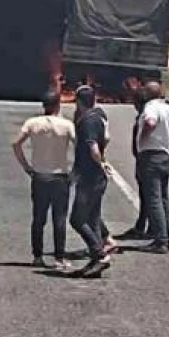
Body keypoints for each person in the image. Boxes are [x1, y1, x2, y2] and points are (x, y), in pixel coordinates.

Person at [12, 91, 76, 269]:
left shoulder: (33, 123)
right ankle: (59, 257)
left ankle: (38, 256)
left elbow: (16, 143)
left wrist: (26, 166)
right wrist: (75, 170)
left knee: (38, 218)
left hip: (39, 175)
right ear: (58, 105)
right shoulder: (66, 125)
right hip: (59, 175)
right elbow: (80, 146)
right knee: (60, 218)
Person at [69, 85, 114, 277]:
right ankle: (96, 260)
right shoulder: (100, 115)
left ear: (79, 102)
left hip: (89, 176)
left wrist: (100, 161)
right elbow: (107, 138)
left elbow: (92, 147)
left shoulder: (87, 121)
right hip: (97, 176)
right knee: (93, 218)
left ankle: (99, 254)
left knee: (77, 219)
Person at [134, 81, 169, 253]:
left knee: (153, 198)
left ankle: (160, 240)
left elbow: (150, 123)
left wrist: (143, 139)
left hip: (150, 155)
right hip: (165, 155)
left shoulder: (151, 107)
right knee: (163, 198)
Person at [117, 85, 150, 240]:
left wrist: (138, 152)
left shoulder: (145, 117)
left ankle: (148, 227)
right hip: (143, 158)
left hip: (145, 159)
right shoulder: (144, 116)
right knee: (147, 194)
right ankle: (143, 224)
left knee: (148, 194)